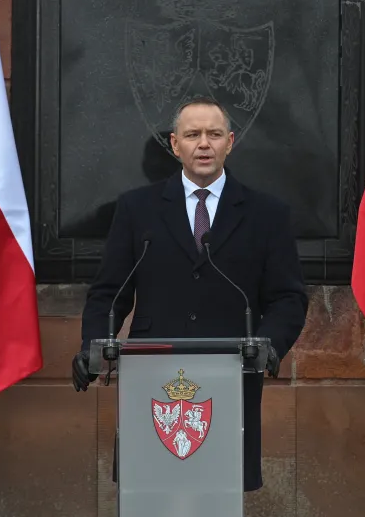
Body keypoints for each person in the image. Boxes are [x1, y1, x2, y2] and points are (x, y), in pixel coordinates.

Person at [71, 95, 309, 493]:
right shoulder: (137, 209)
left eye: (214, 134)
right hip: (152, 376)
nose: (204, 144)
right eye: (193, 134)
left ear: (230, 143)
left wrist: (269, 343)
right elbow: (108, 293)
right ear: (174, 144)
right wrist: (92, 347)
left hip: (230, 377)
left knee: (215, 496)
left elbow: (288, 297)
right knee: (152, 496)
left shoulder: (267, 214)